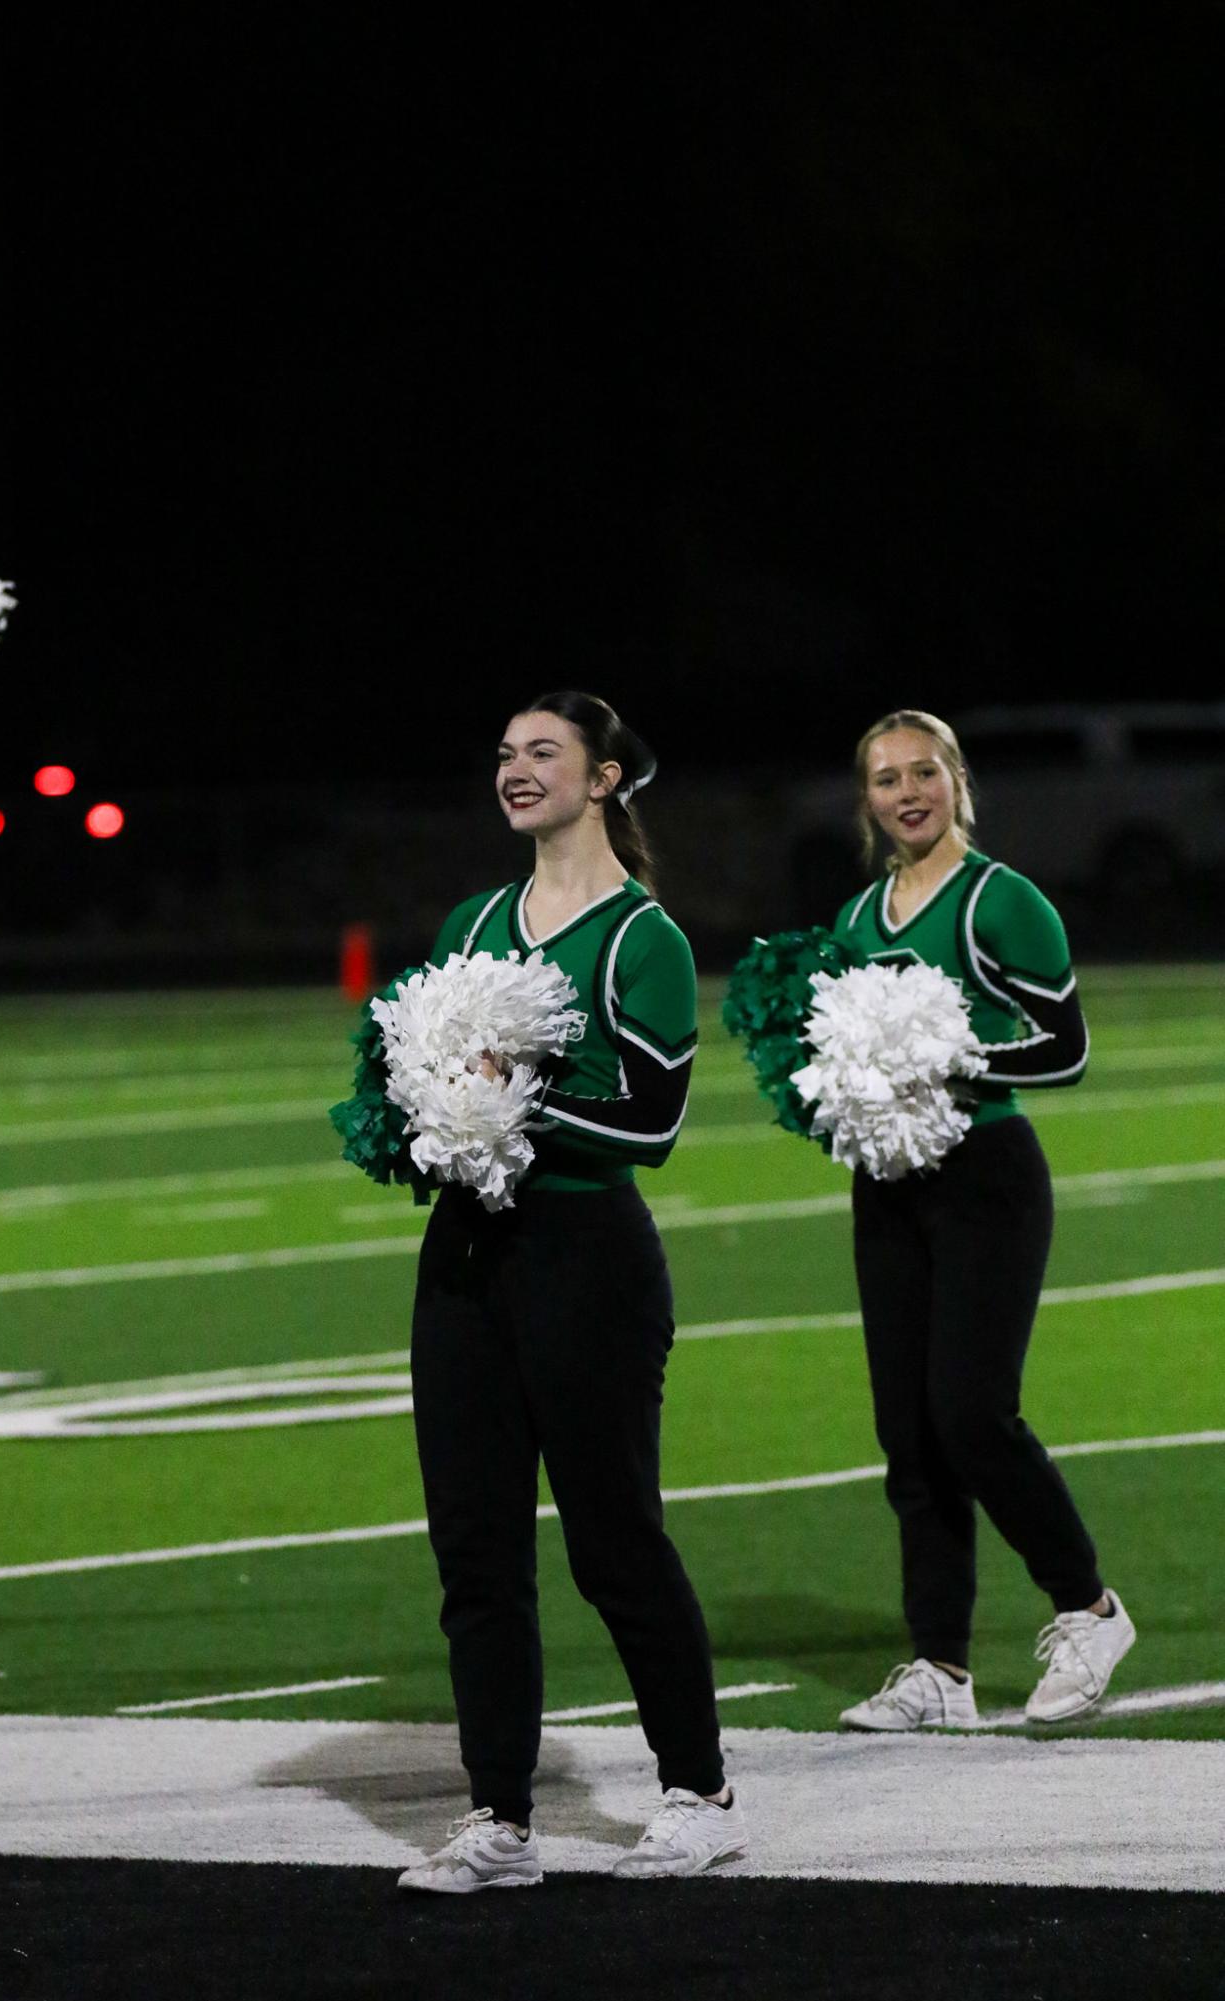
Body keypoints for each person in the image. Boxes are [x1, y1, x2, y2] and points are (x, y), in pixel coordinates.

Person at [397, 690, 746, 1892]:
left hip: (585, 1261)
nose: (514, 769)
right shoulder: (469, 918)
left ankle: (697, 1791)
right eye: (502, 753)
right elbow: (406, 1085)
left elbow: (649, 1123)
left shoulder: (639, 936)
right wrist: (422, 1109)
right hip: (462, 1263)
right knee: (476, 1557)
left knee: (613, 1543)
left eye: (542, 752)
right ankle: (499, 1818)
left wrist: (506, 1098)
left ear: (602, 780)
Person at [829, 709, 1134, 1731]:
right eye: (884, 779)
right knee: (907, 1436)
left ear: (954, 781)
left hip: (985, 1179)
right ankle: (938, 1671)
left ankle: (1087, 1608)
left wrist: (953, 1064)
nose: (904, 793)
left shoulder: (1002, 903)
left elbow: (1063, 1050)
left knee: (969, 1412)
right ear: (864, 798)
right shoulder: (856, 918)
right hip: (886, 1184)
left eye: (922, 772)